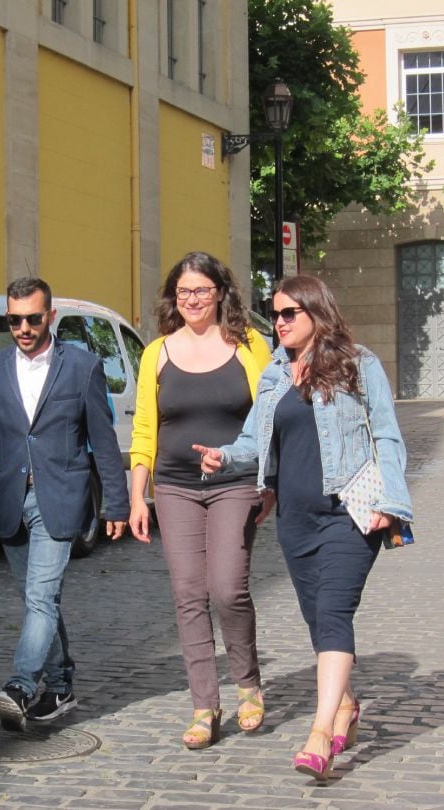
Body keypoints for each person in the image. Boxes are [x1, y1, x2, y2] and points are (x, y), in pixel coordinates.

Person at [195, 275, 413, 781]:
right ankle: (346, 705)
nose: (280, 323)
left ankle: (319, 738)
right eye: (275, 314)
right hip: (295, 519)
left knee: (334, 612)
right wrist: (224, 457)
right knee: (318, 620)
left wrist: (391, 501)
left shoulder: (359, 364)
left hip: (350, 512)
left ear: (317, 311)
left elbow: (387, 435)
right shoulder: (274, 372)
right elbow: (254, 439)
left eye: (289, 313)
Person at [0, 277, 130, 731]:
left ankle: (20, 686)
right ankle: (60, 687)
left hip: (59, 498)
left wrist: (115, 506)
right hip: (9, 498)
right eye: (13, 319)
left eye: (32, 318)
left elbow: (102, 440)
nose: (23, 327)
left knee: (41, 596)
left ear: (51, 317)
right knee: (36, 599)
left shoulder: (82, 367)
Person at [128, 251, 273, 749]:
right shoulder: (157, 353)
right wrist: (137, 497)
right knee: (189, 594)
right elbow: (145, 428)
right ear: (174, 297)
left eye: (202, 291)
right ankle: (204, 706)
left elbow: (272, 418)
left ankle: (248, 686)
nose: (192, 300)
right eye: (183, 292)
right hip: (174, 486)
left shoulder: (250, 345)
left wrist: (270, 481)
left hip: (236, 481)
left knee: (227, 587)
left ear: (220, 294)